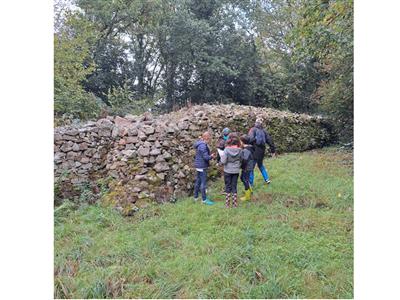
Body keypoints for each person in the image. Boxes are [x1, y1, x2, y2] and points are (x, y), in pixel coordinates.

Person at [248, 117, 276, 186]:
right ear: (262, 124)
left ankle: (250, 184)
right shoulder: (264, 131)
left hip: (254, 150)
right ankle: (267, 179)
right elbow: (270, 141)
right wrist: (273, 151)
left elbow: (250, 139)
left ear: (256, 123)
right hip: (261, 151)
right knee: (260, 165)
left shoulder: (252, 130)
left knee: (251, 167)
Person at [193, 132, 216, 205]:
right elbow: (206, 157)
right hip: (202, 166)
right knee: (203, 183)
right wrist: (211, 156)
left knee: (198, 181)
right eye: (209, 138)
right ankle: (204, 199)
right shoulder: (203, 146)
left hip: (198, 165)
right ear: (207, 138)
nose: (210, 140)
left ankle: (195, 197)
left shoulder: (199, 143)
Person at [220, 134, 242, 208]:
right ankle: (235, 205)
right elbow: (241, 160)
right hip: (236, 170)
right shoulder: (240, 150)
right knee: (234, 186)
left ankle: (227, 205)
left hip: (227, 170)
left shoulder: (226, 150)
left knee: (228, 186)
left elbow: (223, 161)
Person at [239, 134, 255, 202]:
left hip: (247, 167)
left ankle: (247, 196)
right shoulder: (249, 147)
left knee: (245, 180)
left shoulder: (246, 150)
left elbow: (244, 160)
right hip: (248, 166)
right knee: (242, 178)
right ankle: (250, 190)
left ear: (242, 142)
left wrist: (240, 165)